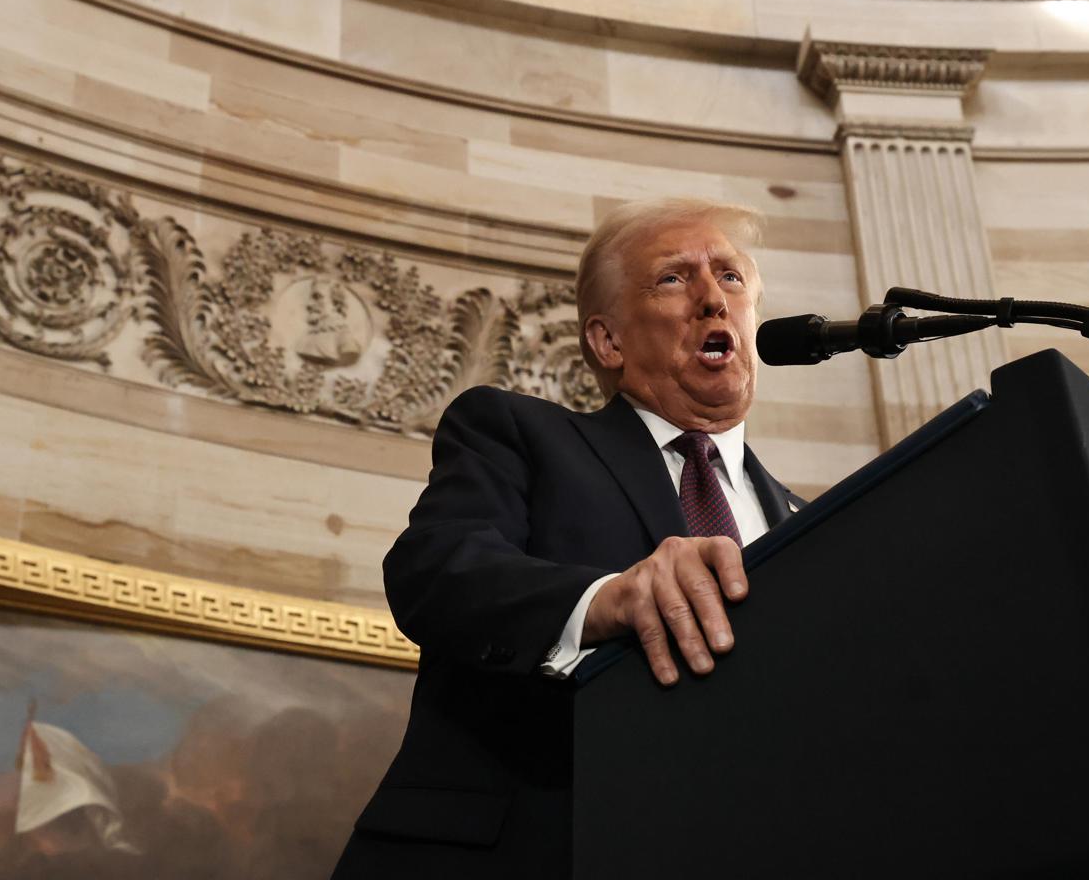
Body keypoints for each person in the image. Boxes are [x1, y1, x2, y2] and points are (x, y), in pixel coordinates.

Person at [333, 199, 804, 878]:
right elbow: (437, 570)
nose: (711, 299)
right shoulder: (519, 435)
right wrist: (606, 600)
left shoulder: (806, 519)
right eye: (674, 278)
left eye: (730, 278)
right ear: (607, 341)